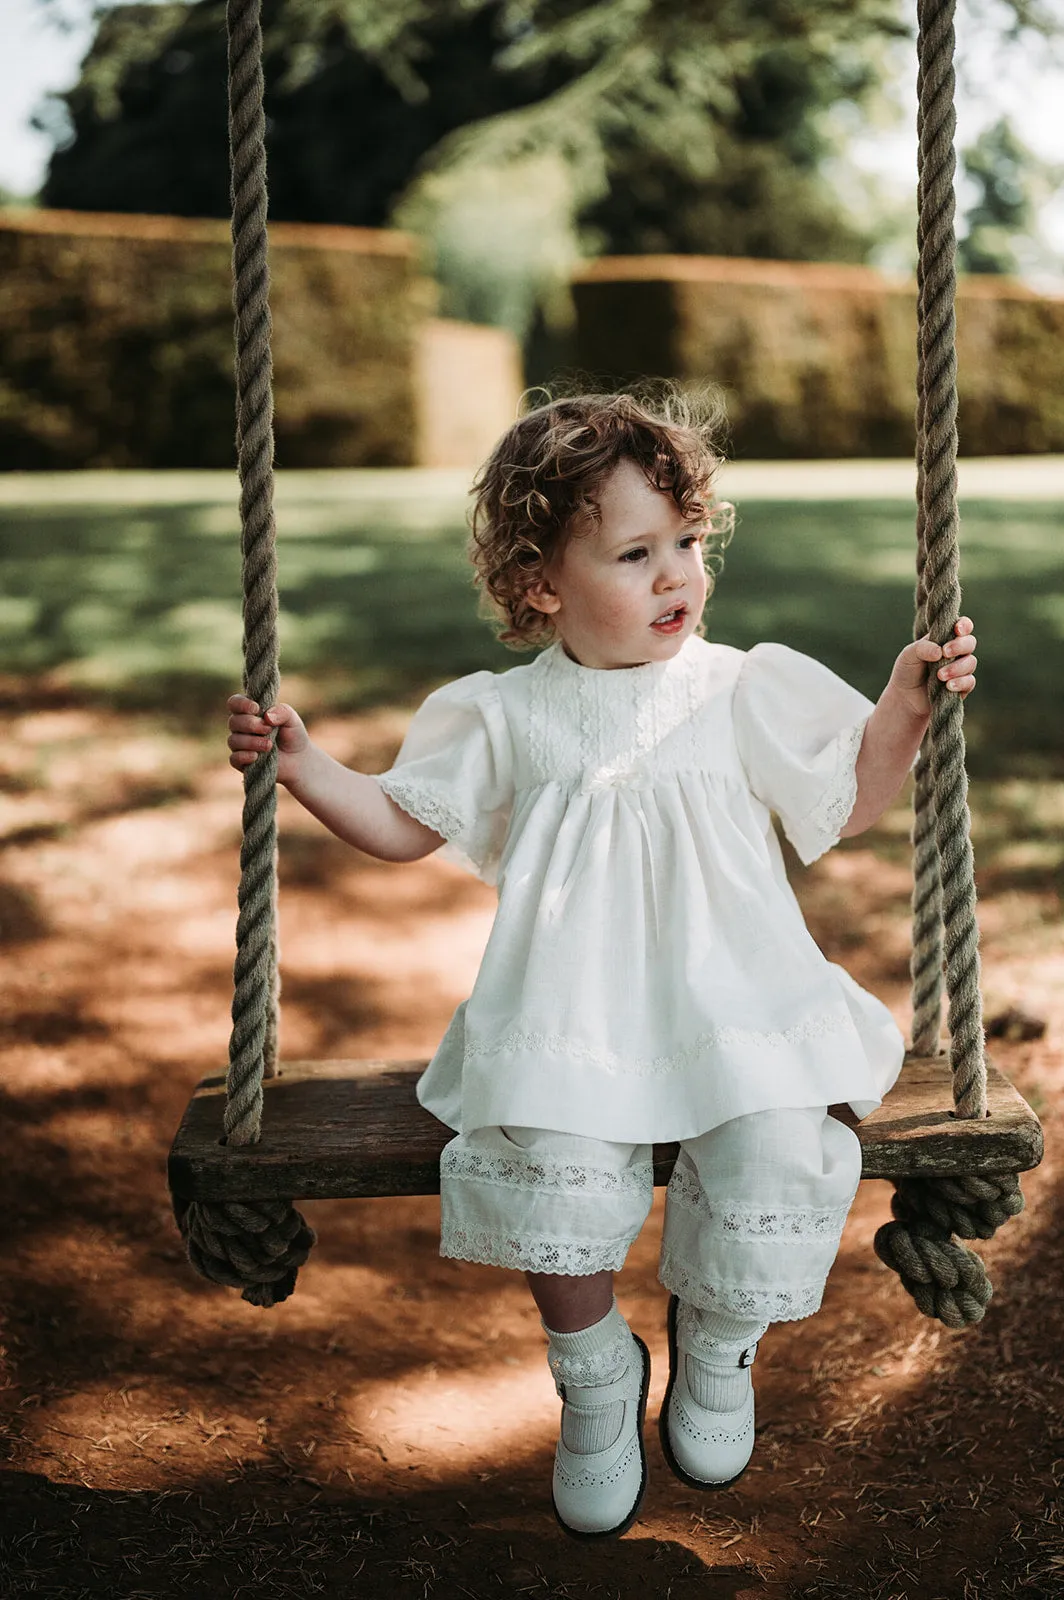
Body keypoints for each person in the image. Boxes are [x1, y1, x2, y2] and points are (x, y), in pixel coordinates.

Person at [227, 390, 978, 1541]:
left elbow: (853, 798)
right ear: (540, 584)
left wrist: (903, 707)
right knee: (543, 1161)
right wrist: (303, 764)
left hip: (737, 998)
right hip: (571, 1011)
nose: (676, 575)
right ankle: (592, 1372)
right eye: (635, 554)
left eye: (686, 542)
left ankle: (717, 1346)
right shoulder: (504, 715)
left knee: (781, 1148)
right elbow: (396, 821)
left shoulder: (738, 688)